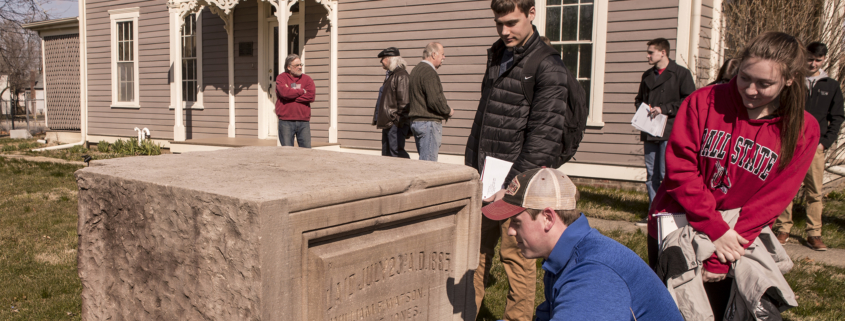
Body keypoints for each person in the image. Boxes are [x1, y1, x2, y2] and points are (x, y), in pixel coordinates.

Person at [648, 32, 819, 320]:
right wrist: (716, 229)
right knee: (671, 312)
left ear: (789, 80)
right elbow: (680, 169)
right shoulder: (704, 101)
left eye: (765, 84)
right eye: (744, 77)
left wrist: (721, 250)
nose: (750, 90)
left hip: (737, 237)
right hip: (677, 223)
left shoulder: (802, 128)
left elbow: (773, 199)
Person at [464, 0, 581, 320]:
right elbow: (485, 119)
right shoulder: (499, 54)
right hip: (486, 174)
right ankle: (466, 314)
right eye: (498, 23)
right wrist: (473, 168)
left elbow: (544, 140)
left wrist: (513, 188)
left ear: (532, 14)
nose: (505, 31)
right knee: (474, 255)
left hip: (519, 183)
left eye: (512, 22)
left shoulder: (547, 67)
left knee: (516, 259)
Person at [482, 167, 684, 321]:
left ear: (548, 218)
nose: (510, 231)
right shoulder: (566, 258)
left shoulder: (593, 276)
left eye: (516, 222)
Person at [774, 41, 845, 250]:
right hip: (790, 144)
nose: (813, 63)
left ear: (824, 60)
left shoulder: (830, 86)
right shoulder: (792, 81)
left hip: (815, 147)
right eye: (810, 59)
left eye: (818, 60)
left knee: (814, 192)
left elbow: (838, 117)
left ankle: (814, 233)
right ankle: (783, 229)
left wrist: (825, 142)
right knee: (786, 187)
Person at [634, 38, 696, 214]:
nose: (648, 55)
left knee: (664, 173)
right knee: (651, 173)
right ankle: (653, 211)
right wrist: (643, 110)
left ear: (663, 52)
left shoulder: (681, 74)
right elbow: (639, 99)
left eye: (651, 52)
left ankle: (668, 210)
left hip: (669, 130)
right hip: (649, 130)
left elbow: (689, 100)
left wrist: (665, 109)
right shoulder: (647, 75)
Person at [408, 42, 452, 161]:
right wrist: (448, 111)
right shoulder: (429, 72)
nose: (444, 57)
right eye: (442, 54)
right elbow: (434, 101)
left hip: (417, 123)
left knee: (424, 162)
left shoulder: (415, 70)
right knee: (428, 165)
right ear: (433, 55)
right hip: (429, 124)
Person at [372, 47, 412, 158]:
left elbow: (405, 103)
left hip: (395, 124)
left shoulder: (401, 76)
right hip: (389, 124)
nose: (381, 61)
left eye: (383, 58)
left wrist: (397, 122)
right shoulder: (391, 75)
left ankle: (409, 173)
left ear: (391, 58)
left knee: (397, 153)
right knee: (387, 155)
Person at [275, 54, 315, 148]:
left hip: (303, 121)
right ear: (288, 67)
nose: (300, 67)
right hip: (286, 121)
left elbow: (311, 97)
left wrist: (290, 95)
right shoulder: (281, 78)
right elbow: (284, 93)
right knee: (287, 152)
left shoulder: (307, 79)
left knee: (306, 152)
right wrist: (302, 91)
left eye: (301, 64)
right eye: (296, 65)